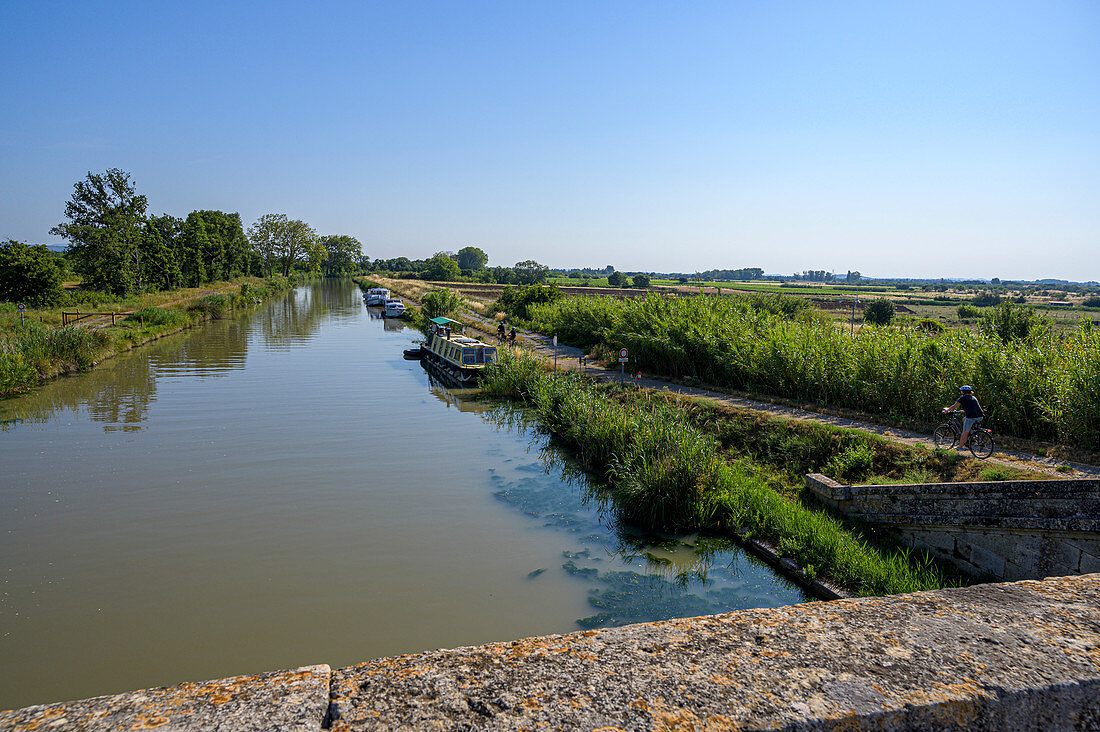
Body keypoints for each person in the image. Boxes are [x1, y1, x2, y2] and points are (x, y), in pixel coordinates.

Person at [943, 385, 984, 450]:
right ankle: (972, 435)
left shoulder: (962, 398)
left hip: (971, 417)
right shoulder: (973, 397)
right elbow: (973, 407)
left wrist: (947, 410)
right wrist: (963, 411)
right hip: (980, 416)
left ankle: (960, 447)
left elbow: (954, 406)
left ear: (963, 392)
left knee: (964, 432)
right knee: (964, 419)